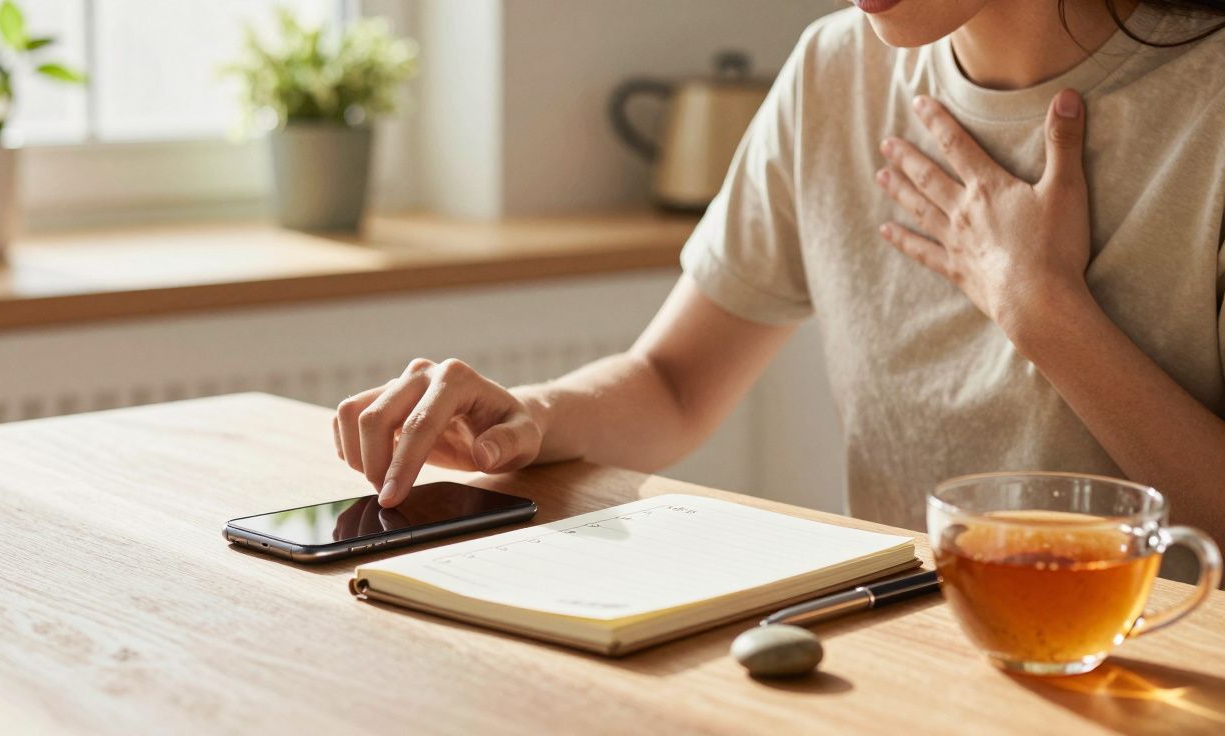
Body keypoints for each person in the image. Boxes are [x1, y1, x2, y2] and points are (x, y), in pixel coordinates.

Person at [331, 0, 1225, 577]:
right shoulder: (835, 71)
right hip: (911, 674)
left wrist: (1045, 312)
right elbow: (674, 383)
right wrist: (524, 415)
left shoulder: (1209, 102)